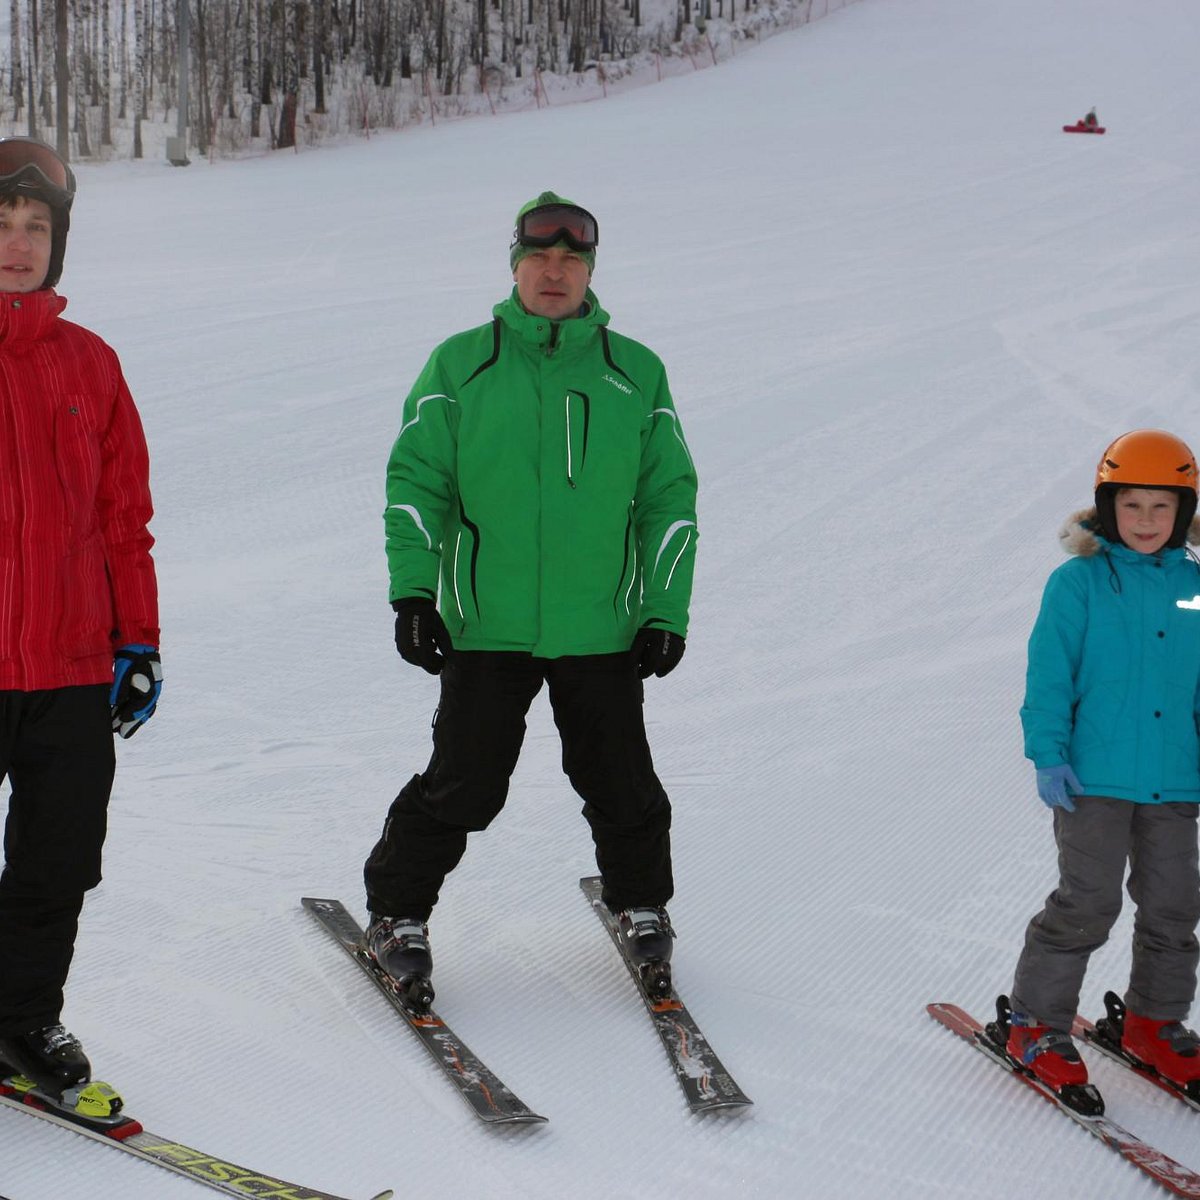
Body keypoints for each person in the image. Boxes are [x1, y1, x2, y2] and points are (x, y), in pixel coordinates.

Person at [363, 191, 698, 1005]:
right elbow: (416, 482)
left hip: (600, 625)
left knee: (621, 782)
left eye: (571, 259)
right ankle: (397, 916)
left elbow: (669, 498)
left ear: (589, 271)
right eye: (540, 258)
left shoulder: (634, 371)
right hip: (487, 624)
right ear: (515, 264)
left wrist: (664, 608)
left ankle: (642, 905)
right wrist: (413, 591)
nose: (555, 272)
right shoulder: (460, 363)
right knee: (464, 785)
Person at [0, 138, 161, 1098]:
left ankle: (22, 1018)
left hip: (66, 663)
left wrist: (137, 641)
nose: (16, 244)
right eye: (2, 226)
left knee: (57, 860)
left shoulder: (91, 365)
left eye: (35, 229)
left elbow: (123, 519)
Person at [1004, 429, 1200, 1096]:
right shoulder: (1078, 583)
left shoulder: (1197, 588)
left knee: (1176, 905)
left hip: (1175, 780)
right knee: (1088, 903)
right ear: (1107, 505)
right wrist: (1048, 753)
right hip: (1092, 779)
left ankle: (1154, 1021)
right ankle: (1035, 1022)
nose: (1146, 521)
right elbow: (1050, 675)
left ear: (1184, 512)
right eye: (1132, 505)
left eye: (1162, 507)